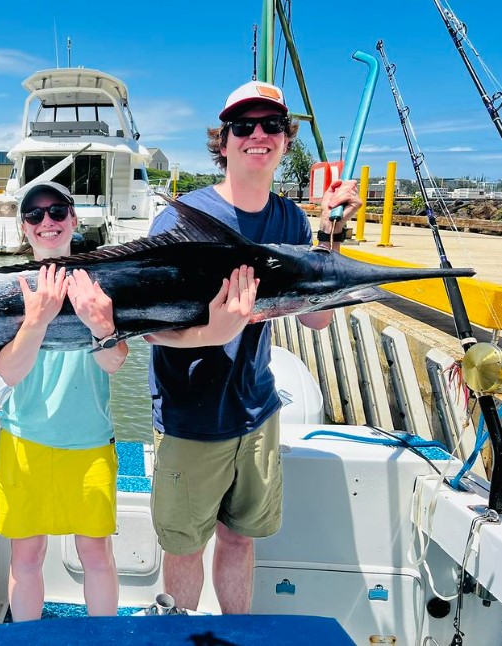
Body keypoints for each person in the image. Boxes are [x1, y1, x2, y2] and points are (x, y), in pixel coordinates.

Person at [145, 81, 363, 614]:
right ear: (223, 141)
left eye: (271, 125)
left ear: (286, 141)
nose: (257, 135)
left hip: (257, 410)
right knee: (186, 546)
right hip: (191, 418)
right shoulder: (179, 221)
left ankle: (236, 633)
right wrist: (209, 335)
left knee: (241, 538)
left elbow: (315, 318)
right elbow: (142, 325)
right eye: (243, 126)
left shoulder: (290, 219)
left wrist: (331, 241)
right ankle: (181, 634)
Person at [0, 181, 129, 620]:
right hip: (24, 441)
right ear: (24, 228)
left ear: (73, 219)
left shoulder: (101, 283)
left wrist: (101, 325)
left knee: (96, 555)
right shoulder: (7, 287)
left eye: (56, 212)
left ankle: (102, 638)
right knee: (26, 557)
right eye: (34, 214)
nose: (46, 222)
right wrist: (36, 321)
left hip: (89, 440)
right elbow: (9, 372)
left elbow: (114, 363)